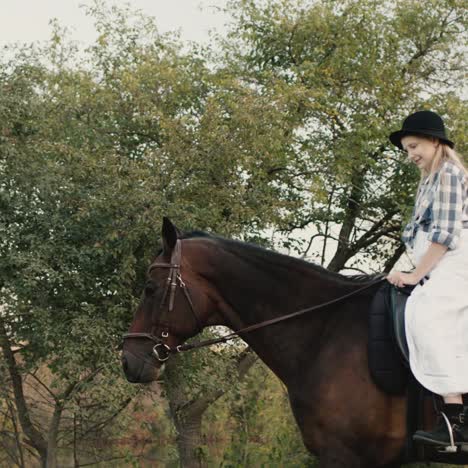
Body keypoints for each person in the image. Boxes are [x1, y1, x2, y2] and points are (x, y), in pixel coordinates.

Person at [386, 110, 468, 447]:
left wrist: (416, 274)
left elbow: (446, 234)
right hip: (437, 262)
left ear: (435, 142)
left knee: (430, 315)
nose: (411, 155)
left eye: (415, 146)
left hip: (455, 260)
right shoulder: (428, 179)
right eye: (407, 149)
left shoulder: (449, 173)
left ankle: (455, 422)